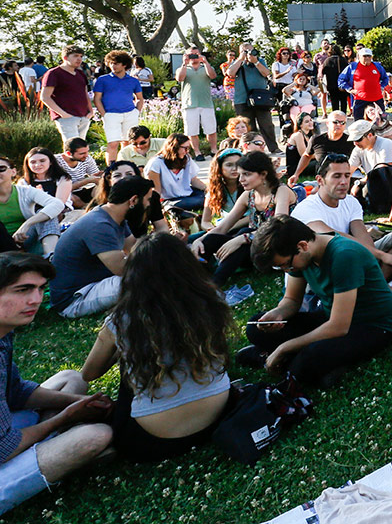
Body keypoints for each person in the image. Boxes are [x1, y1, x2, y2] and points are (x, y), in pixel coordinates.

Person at [79, 233, 231, 461]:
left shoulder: (121, 320)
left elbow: (89, 373)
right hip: (219, 417)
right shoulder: (212, 300)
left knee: (133, 361)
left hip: (154, 441)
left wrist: (121, 345)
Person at [0, 252, 114, 515]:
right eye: (23, 290)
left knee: (71, 379)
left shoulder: (4, 331)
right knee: (96, 436)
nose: (36, 299)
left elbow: (15, 392)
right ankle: (60, 445)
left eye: (40, 289)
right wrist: (65, 417)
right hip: (3, 448)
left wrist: (79, 403)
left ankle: (54, 444)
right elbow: (3, 448)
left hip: (5, 429)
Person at [243, 215, 392, 387]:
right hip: (331, 317)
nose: (286, 270)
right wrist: (277, 314)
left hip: (372, 326)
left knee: (307, 359)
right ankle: (313, 365)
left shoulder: (343, 256)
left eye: (285, 265)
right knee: (254, 327)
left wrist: (284, 347)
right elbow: (292, 300)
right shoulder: (300, 256)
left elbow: (339, 327)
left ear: (302, 246)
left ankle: (288, 360)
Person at [292, 155, 392, 280]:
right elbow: (333, 236)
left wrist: (375, 255)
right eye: (337, 176)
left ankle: (379, 285)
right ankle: (376, 289)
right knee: (344, 255)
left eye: (347, 175)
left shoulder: (351, 202)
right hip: (323, 266)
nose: (344, 182)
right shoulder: (306, 208)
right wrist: (382, 256)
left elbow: (363, 237)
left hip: (349, 254)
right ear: (320, 180)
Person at [51, 176, 152, 318]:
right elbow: (124, 269)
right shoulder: (99, 225)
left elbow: (134, 248)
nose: (148, 205)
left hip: (95, 284)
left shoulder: (113, 216)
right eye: (148, 199)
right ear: (133, 200)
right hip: (75, 299)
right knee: (145, 278)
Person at [190, 151, 296, 285]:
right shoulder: (249, 195)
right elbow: (223, 227)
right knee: (210, 240)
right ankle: (196, 279)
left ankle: (215, 285)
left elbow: (278, 227)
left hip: (277, 248)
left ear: (263, 174)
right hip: (254, 248)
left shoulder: (281, 191)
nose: (241, 179)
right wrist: (199, 240)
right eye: (240, 175)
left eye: (247, 174)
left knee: (243, 235)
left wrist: (244, 238)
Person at [0, 156, 66, 257]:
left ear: (13, 172)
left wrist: (27, 224)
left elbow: (57, 204)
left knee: (46, 215)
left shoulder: (25, 191)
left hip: (25, 238)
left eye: (1, 169)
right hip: (3, 246)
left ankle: (51, 256)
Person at [92, 50, 144, 165]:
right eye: (110, 63)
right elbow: (97, 99)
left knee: (128, 143)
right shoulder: (102, 80)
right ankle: (111, 170)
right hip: (111, 115)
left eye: (116, 63)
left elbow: (140, 98)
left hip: (130, 114)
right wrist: (104, 114)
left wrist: (136, 112)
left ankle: (128, 168)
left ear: (124, 64)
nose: (112, 66)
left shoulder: (133, 81)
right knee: (112, 143)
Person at [227, 43, 279, 153]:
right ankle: (251, 149)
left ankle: (273, 148)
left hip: (261, 99)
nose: (248, 53)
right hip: (242, 100)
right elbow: (230, 73)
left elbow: (266, 73)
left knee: (267, 124)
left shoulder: (260, 61)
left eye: (250, 50)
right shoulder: (236, 63)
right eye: (245, 51)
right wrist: (241, 59)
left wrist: (255, 61)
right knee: (247, 127)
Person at [40, 45, 94, 146]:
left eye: (81, 56)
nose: (79, 59)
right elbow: (45, 97)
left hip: (83, 116)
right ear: (65, 58)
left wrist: (90, 111)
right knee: (72, 148)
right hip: (66, 117)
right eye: (75, 56)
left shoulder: (80, 73)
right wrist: (63, 114)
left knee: (81, 148)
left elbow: (85, 93)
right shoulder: (53, 73)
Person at [288, 110, 354, 187]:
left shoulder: (351, 141)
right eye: (335, 122)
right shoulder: (316, 140)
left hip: (343, 182)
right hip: (322, 181)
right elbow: (306, 155)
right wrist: (296, 174)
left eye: (342, 123)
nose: (339, 125)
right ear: (327, 123)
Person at [346, 119, 392, 213]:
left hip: (390, 183)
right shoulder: (358, 149)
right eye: (353, 140)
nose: (355, 143)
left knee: (375, 178)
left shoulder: (386, 144)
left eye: (358, 139)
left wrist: (359, 183)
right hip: (371, 181)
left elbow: (383, 171)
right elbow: (348, 171)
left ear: (370, 135)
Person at [175, 46, 218, 161]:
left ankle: (214, 149)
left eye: (195, 54)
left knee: (211, 129)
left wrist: (205, 62)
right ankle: (197, 152)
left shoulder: (206, 67)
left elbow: (213, 76)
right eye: (191, 54)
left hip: (206, 103)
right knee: (192, 131)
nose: (193, 57)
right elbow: (179, 78)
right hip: (189, 105)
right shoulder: (183, 68)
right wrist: (184, 63)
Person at [145, 134, 206, 211]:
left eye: (188, 148)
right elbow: (156, 190)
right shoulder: (156, 163)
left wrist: (208, 189)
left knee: (208, 197)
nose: (187, 151)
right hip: (169, 199)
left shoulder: (186, 158)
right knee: (198, 201)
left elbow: (193, 180)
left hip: (187, 194)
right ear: (174, 147)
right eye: (185, 148)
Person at [337, 48, 390, 120]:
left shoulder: (377, 66)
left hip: (377, 99)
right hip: (360, 99)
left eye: (369, 56)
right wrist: (349, 89)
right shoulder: (352, 67)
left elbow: (385, 78)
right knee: (359, 123)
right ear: (359, 57)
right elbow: (341, 80)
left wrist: (382, 86)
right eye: (364, 56)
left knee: (380, 122)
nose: (367, 58)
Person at [200, 148, 242, 232]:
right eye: (229, 165)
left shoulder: (249, 187)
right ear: (219, 167)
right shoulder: (215, 190)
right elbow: (205, 222)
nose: (234, 168)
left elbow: (251, 216)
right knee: (192, 239)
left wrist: (225, 227)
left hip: (244, 227)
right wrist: (211, 229)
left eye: (238, 164)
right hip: (223, 227)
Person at [55, 137, 102, 205]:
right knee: (71, 198)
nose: (86, 155)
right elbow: (60, 189)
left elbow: (96, 177)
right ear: (68, 153)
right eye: (82, 153)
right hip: (63, 192)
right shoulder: (56, 162)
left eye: (87, 152)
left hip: (81, 190)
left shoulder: (87, 159)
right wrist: (87, 181)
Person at [284, 112, 316, 182]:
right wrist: (319, 154)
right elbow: (304, 155)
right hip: (296, 168)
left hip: (305, 164)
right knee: (322, 162)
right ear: (300, 125)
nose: (310, 122)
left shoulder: (309, 135)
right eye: (307, 121)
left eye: (311, 120)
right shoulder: (298, 135)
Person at [320, 44, 350, 113]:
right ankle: (343, 115)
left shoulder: (327, 60)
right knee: (343, 101)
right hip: (342, 84)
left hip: (331, 85)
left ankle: (336, 117)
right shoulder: (343, 60)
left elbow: (323, 72)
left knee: (334, 102)